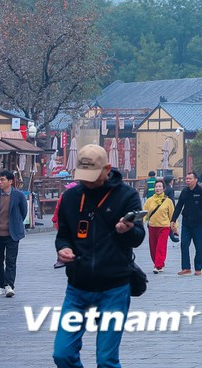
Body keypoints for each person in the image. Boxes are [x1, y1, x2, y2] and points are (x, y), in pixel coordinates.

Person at [52, 143, 144, 368]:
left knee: (106, 360)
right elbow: (63, 235)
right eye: (83, 175)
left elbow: (139, 237)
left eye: (92, 175)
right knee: (62, 354)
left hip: (114, 287)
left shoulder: (127, 196)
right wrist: (62, 248)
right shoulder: (72, 197)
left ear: (107, 169)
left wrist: (128, 229)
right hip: (77, 286)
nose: (87, 181)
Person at [0, 170, 26, 297]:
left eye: (2, 179)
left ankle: (9, 285)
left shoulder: (19, 195)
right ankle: (0, 285)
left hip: (12, 234)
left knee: (11, 260)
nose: (0, 182)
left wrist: (15, 223)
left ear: (10, 181)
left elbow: (23, 212)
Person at [170, 171, 202, 276]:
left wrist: (200, 214)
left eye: (190, 179)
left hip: (198, 224)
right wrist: (173, 219)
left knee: (198, 246)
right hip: (186, 223)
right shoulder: (184, 192)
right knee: (184, 244)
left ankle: (198, 268)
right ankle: (186, 267)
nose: (187, 180)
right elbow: (179, 206)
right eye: (186, 179)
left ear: (195, 180)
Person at [142, 179, 175, 274]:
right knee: (153, 248)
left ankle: (158, 265)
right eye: (156, 187)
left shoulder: (168, 201)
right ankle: (159, 263)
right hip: (152, 226)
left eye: (160, 186)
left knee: (161, 246)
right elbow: (145, 213)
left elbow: (172, 215)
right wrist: (142, 223)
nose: (158, 188)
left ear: (164, 188)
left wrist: (174, 226)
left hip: (164, 227)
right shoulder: (149, 201)